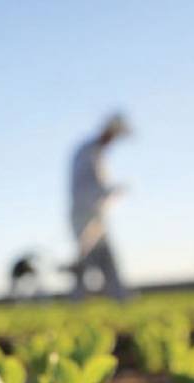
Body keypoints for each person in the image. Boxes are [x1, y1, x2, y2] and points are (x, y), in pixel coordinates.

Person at [68, 113, 131, 301]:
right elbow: (87, 187)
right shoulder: (88, 152)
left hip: (96, 216)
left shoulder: (96, 152)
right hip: (84, 215)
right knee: (86, 259)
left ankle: (120, 297)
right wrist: (111, 191)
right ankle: (77, 301)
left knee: (107, 258)